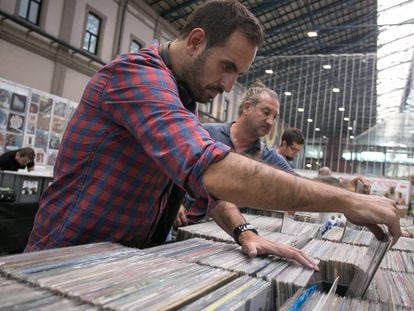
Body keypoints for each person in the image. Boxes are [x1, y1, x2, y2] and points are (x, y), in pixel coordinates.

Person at [25, 0, 400, 267]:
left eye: (237, 73)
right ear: (195, 41)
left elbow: (207, 192)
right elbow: (213, 170)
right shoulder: (138, 77)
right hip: (62, 263)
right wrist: (345, 201)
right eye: (226, 66)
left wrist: (244, 233)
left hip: (120, 262)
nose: (227, 85)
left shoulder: (181, 97)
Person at [175, 80, 294, 227]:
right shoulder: (206, 132)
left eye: (274, 117)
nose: (270, 121)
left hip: (225, 232)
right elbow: (174, 166)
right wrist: (174, 203)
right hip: (180, 223)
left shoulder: (267, 156)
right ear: (247, 107)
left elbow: (294, 183)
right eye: (266, 112)